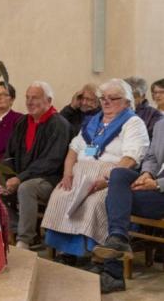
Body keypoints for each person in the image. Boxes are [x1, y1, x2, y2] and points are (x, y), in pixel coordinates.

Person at [41, 79, 150, 261]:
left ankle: (94, 254)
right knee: (60, 196)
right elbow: (73, 149)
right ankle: (66, 251)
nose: (106, 102)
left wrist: (107, 180)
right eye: (103, 98)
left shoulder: (133, 123)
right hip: (79, 175)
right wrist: (67, 174)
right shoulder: (92, 122)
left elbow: (131, 157)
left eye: (113, 98)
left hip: (111, 178)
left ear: (127, 102)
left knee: (93, 204)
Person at [91, 120, 164, 293]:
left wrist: (157, 184)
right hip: (153, 186)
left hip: (160, 189)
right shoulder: (161, 124)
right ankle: (118, 238)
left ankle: (113, 274)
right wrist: (146, 174)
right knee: (118, 174)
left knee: (116, 200)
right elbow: (152, 157)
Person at [2, 81, 71, 250]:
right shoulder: (22, 122)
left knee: (26, 188)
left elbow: (51, 161)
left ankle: (24, 240)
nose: (30, 102)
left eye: (35, 98)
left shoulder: (59, 125)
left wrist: (19, 178)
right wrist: (6, 177)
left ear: (48, 100)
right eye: (27, 97)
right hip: (21, 177)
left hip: (51, 179)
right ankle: (16, 228)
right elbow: (9, 153)